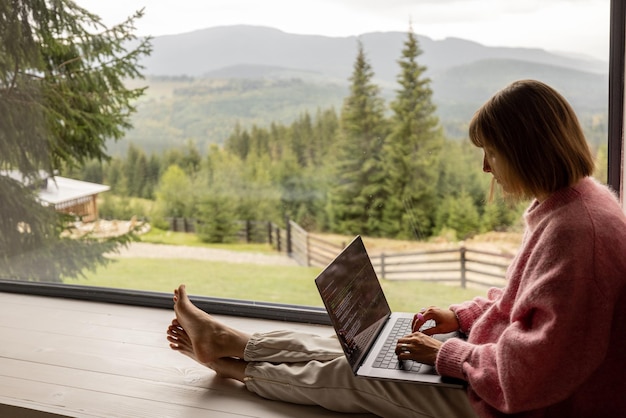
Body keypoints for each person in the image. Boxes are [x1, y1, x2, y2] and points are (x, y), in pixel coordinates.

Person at [166, 79, 626, 417]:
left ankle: (231, 367)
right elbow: (522, 304)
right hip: (504, 363)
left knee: (358, 376)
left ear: (526, 150)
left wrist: (447, 354)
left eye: (492, 152)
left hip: (534, 404)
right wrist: (462, 318)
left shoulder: (576, 232)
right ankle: (238, 343)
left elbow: (532, 377)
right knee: (368, 345)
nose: (486, 167)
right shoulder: (575, 203)